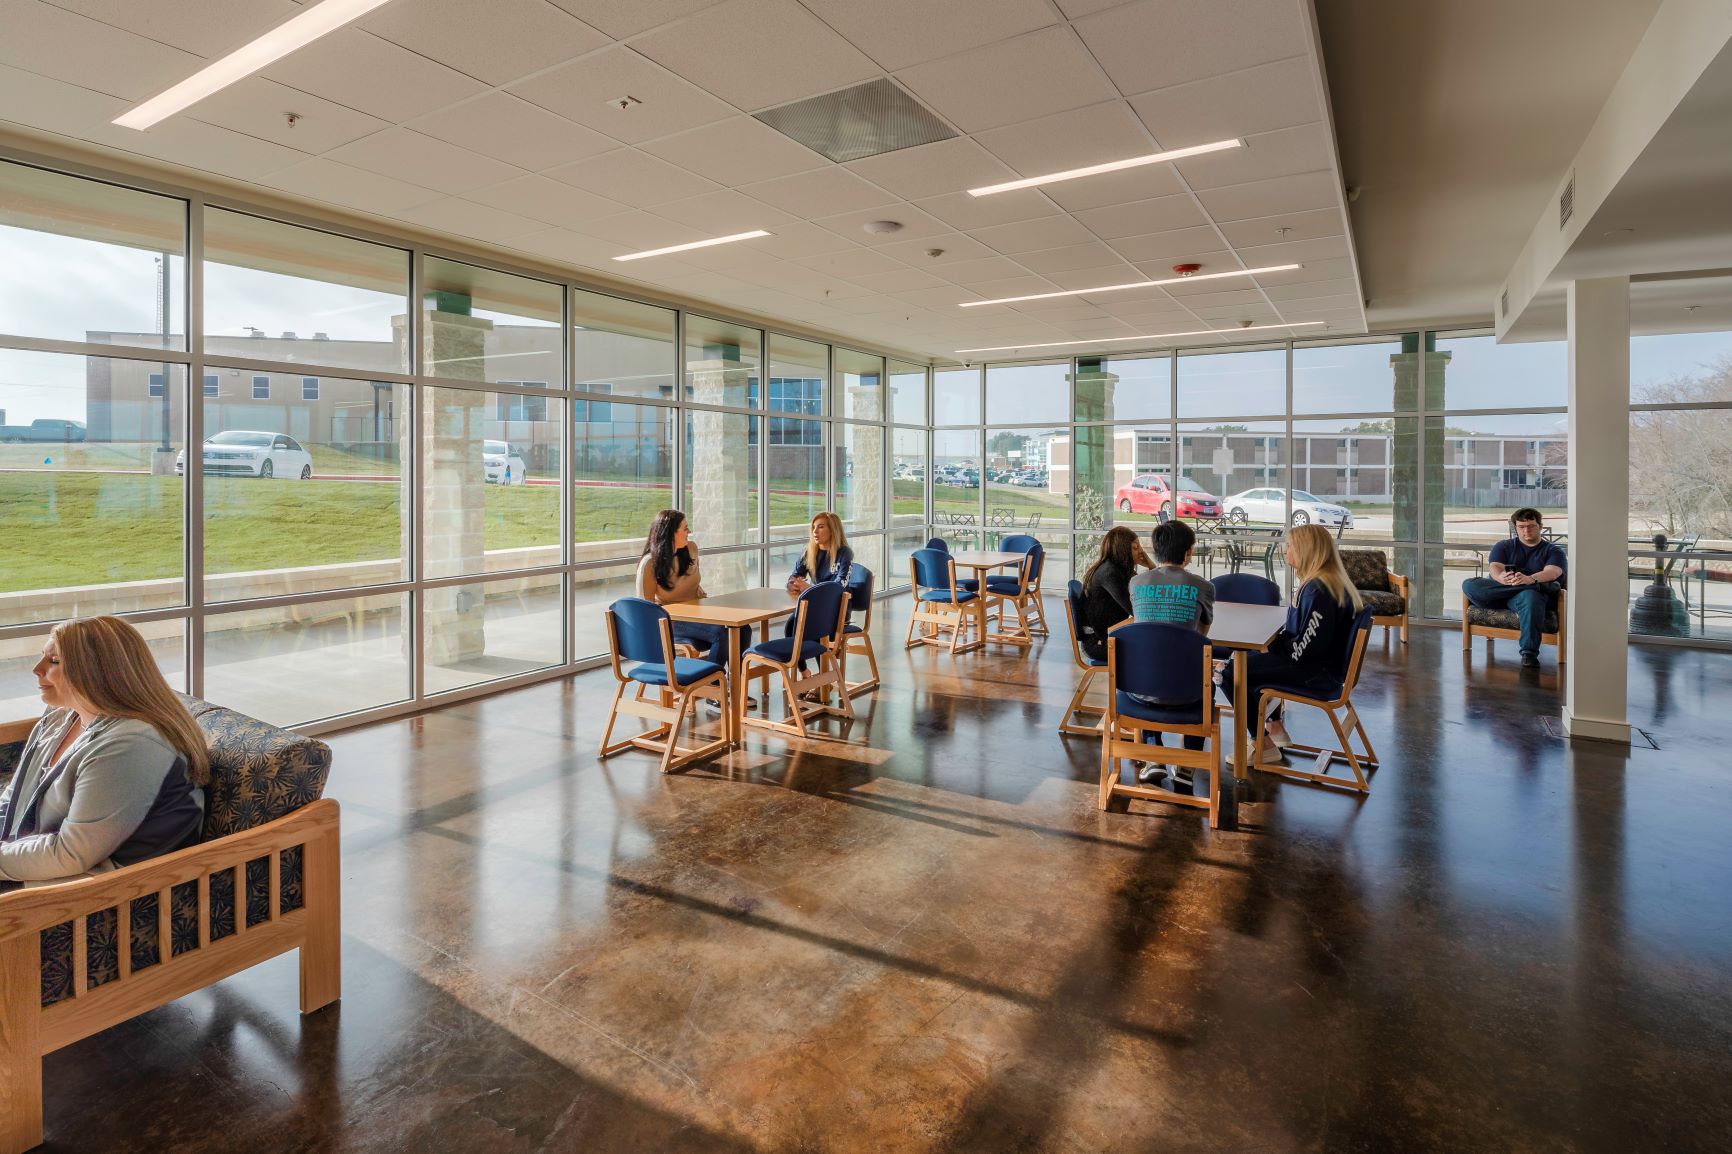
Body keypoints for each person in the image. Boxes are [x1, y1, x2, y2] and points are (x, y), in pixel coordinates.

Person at [1, 616, 210, 888]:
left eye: (54, 661)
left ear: (96, 671)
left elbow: (70, 853)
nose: (36, 669)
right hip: (44, 864)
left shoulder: (131, 745)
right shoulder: (61, 717)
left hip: (107, 891)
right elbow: (12, 801)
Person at [1241, 524, 1364, 754]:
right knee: (1250, 663)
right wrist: (1274, 648)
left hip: (1316, 675)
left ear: (1306, 550)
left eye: (1289, 546)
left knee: (1233, 672)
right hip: (1323, 668)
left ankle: (1263, 745)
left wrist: (1275, 648)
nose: (1285, 551)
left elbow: (1304, 649)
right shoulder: (1326, 583)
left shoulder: (1318, 591)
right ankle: (1275, 728)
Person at [1127, 521, 1215, 784]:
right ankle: (1188, 765)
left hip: (1139, 688)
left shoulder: (1135, 583)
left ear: (1155, 550)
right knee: (1201, 676)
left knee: (1150, 669)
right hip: (1188, 693)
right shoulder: (1203, 586)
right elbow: (1202, 633)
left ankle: (1154, 755)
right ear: (1189, 552)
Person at [635, 509, 751, 659]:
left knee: (743, 628)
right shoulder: (649, 564)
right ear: (670, 533)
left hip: (698, 614)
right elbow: (646, 610)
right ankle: (715, 680)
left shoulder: (691, 549)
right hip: (672, 621)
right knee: (723, 633)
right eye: (684, 528)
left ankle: (735, 680)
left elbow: (695, 587)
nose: (689, 531)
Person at [1462, 507, 1566, 667]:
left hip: (1525, 600)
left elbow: (1553, 572)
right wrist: (1501, 578)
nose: (1526, 530)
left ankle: (1529, 654)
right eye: (1521, 527)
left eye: (1531, 526)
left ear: (1540, 526)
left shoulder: (1553, 550)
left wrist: (1530, 579)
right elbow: (1495, 566)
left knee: (1531, 597)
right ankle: (1539, 588)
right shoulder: (1504, 545)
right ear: (1515, 527)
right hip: (1500, 593)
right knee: (1469, 584)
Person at [1076, 527, 1152, 662]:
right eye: (1135, 547)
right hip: (1099, 643)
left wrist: (1151, 566)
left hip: (1108, 635)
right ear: (1123, 550)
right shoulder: (1110, 573)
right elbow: (1136, 610)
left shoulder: (1117, 568)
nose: (1141, 551)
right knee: (1156, 647)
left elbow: (1142, 594)